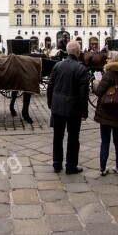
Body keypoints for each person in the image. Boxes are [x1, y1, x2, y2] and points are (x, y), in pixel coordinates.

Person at [47, 40, 92, 174]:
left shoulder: (57, 66)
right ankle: (71, 165)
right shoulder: (81, 69)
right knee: (73, 138)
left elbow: (50, 86)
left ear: (67, 51)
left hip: (58, 107)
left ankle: (56, 163)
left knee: (57, 136)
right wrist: (85, 112)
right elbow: (84, 94)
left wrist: (50, 103)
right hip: (74, 109)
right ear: (78, 53)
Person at [92, 50, 118, 176]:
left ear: (114, 60)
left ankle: (103, 167)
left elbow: (98, 92)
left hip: (107, 111)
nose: (107, 60)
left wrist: (96, 83)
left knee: (105, 141)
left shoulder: (109, 73)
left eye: (109, 58)